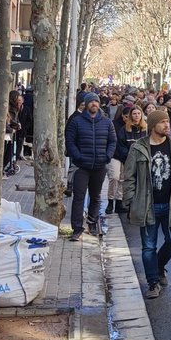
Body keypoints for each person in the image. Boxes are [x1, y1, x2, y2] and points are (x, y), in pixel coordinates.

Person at [123, 109, 171, 299]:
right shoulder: (138, 148)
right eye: (162, 122)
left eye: (167, 121)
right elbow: (129, 177)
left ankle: (159, 266)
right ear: (153, 126)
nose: (167, 125)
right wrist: (130, 200)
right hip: (147, 205)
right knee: (148, 247)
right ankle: (153, 282)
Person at [64, 92, 117, 242]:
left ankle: (92, 223)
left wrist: (107, 156)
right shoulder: (76, 121)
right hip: (81, 166)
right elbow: (70, 142)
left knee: (96, 196)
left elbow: (113, 141)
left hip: (99, 166)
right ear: (86, 104)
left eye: (96, 101)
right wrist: (78, 156)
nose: (94, 104)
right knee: (78, 197)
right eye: (91, 101)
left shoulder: (107, 122)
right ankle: (77, 229)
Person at [110, 106, 147, 215]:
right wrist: (130, 156)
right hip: (126, 159)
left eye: (138, 113)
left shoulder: (146, 130)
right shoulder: (124, 130)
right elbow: (120, 145)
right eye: (134, 114)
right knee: (122, 181)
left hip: (141, 161)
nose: (137, 116)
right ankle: (118, 203)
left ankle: (136, 207)